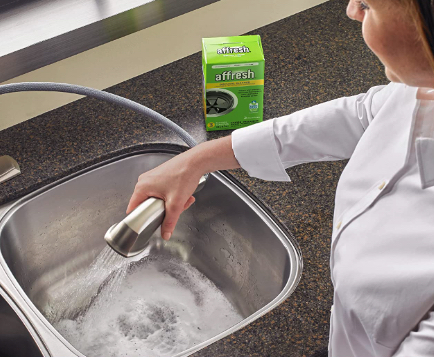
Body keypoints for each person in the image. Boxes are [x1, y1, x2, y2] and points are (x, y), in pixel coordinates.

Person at [127, 0, 434, 356]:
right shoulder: (420, 88)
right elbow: (362, 114)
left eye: (368, 3)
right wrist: (197, 160)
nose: (352, 9)